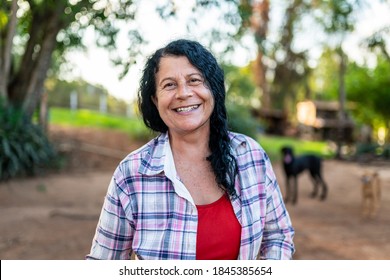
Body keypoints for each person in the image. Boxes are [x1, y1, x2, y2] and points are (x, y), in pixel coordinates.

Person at [86, 39, 295, 260]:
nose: (183, 93)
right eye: (169, 85)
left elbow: (278, 237)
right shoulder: (131, 174)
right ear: (156, 101)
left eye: (194, 80)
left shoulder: (250, 156)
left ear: (213, 90)